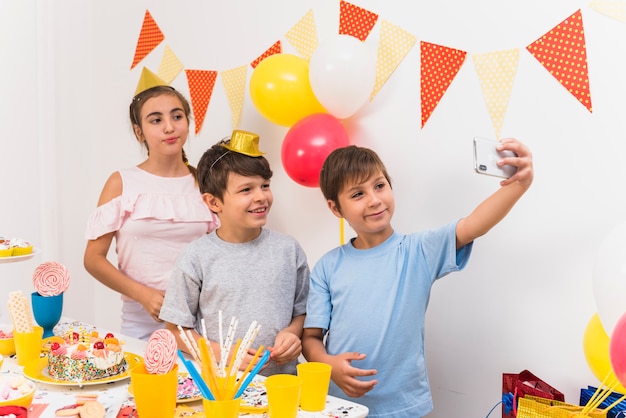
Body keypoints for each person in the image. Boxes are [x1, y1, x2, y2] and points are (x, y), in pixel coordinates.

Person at [302, 139, 534, 417]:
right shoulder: (328, 266)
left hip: (403, 406)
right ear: (335, 208)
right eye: (357, 194)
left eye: (379, 186)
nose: (374, 200)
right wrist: (329, 364)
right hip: (340, 406)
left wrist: (520, 184)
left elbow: (473, 225)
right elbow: (311, 338)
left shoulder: (419, 251)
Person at [159, 130, 310, 376]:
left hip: (281, 386)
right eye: (246, 190)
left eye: (265, 185)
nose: (261, 196)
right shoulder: (196, 257)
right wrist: (223, 353)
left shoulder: (288, 250)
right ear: (213, 202)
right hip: (219, 387)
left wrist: (293, 333)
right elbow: (176, 330)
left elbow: (302, 312)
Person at [84, 83, 218, 341]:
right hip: (140, 323)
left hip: (199, 324)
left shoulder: (205, 184)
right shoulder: (121, 182)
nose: (169, 127)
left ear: (187, 123)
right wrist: (143, 295)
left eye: (177, 116)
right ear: (139, 132)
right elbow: (93, 259)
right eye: (156, 120)